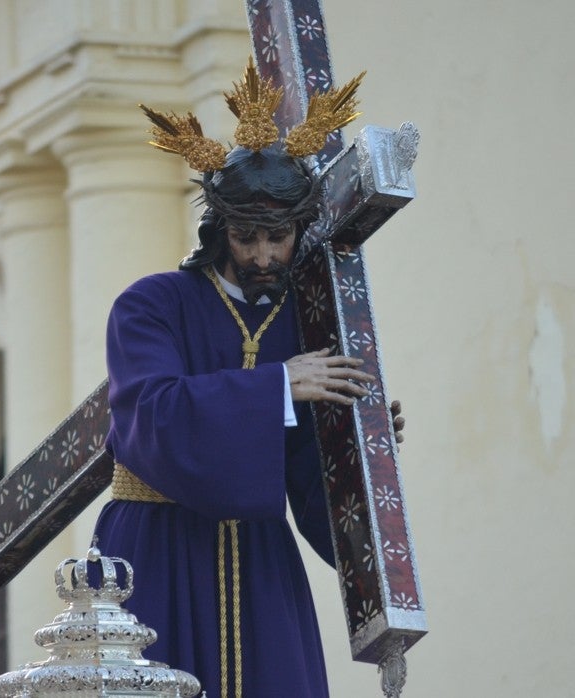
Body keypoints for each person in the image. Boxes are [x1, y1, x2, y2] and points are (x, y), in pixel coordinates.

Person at [93, 62, 404, 697]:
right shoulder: (151, 305)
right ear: (218, 229)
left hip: (260, 557)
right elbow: (151, 414)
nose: (263, 255)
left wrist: (358, 445)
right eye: (245, 236)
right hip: (156, 550)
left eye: (279, 237)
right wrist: (276, 388)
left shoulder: (308, 321)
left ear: (301, 230)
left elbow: (306, 476)